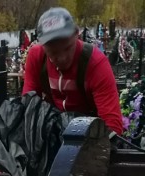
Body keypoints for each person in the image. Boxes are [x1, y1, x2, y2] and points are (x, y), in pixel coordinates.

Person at [22, 7, 124, 135]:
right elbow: (28, 107)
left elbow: (112, 125)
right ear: (41, 44)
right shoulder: (37, 56)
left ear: (76, 34)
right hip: (52, 131)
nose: (62, 58)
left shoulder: (95, 63)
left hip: (89, 133)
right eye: (53, 52)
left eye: (67, 48)